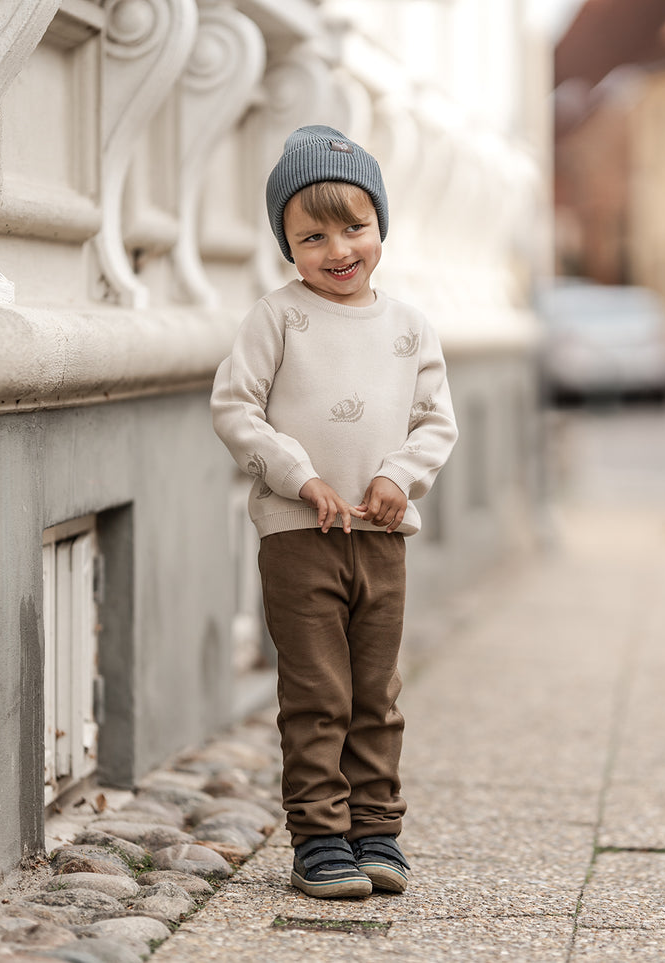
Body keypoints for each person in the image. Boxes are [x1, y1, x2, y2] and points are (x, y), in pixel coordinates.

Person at [211, 125, 458, 899]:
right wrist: (297, 474)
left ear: (380, 224)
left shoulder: (410, 326)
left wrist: (399, 475)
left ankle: (376, 829)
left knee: (374, 694)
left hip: (380, 539)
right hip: (299, 537)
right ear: (286, 243)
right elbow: (235, 408)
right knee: (318, 693)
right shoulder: (278, 318)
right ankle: (319, 837)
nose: (337, 249)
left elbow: (435, 422)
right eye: (311, 235)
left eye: (355, 226)